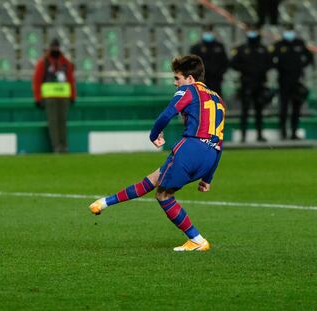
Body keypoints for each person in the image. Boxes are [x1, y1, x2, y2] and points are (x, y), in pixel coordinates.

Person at [89, 55, 225, 252]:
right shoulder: (218, 98)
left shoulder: (188, 90)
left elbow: (166, 114)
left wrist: (154, 135)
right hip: (211, 154)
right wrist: (208, 177)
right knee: (154, 179)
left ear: (190, 79)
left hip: (191, 147)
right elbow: (220, 140)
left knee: (163, 195)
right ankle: (104, 202)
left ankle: (197, 240)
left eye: (177, 78)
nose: (175, 83)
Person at [32, 38, 76, 153]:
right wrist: (38, 98)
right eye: (53, 47)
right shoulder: (44, 62)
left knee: (62, 122)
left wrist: (72, 96)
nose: (55, 49)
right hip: (50, 98)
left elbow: (71, 80)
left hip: (63, 98)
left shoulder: (65, 63)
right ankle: (57, 147)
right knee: (53, 123)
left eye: (56, 47)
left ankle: (64, 146)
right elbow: (37, 81)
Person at [230, 26, 273, 142]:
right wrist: (246, 70)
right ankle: (243, 135)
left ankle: (260, 134)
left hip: (259, 83)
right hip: (246, 83)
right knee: (245, 111)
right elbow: (233, 64)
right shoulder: (241, 49)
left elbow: (270, 63)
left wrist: (260, 70)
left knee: (259, 111)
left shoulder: (263, 49)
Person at [271, 25, 314, 140]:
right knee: (283, 108)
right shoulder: (279, 45)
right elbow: (270, 60)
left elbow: (309, 57)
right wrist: (280, 68)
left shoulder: (299, 43)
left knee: (296, 108)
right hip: (283, 81)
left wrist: (301, 66)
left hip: (296, 81)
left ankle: (294, 132)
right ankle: (283, 132)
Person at [190, 24, 229, 96]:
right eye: (206, 32)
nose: (208, 34)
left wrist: (220, 73)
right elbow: (192, 63)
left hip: (216, 79)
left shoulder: (219, 46)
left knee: (216, 101)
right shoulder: (196, 47)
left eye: (210, 32)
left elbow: (225, 62)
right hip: (202, 80)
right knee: (202, 101)